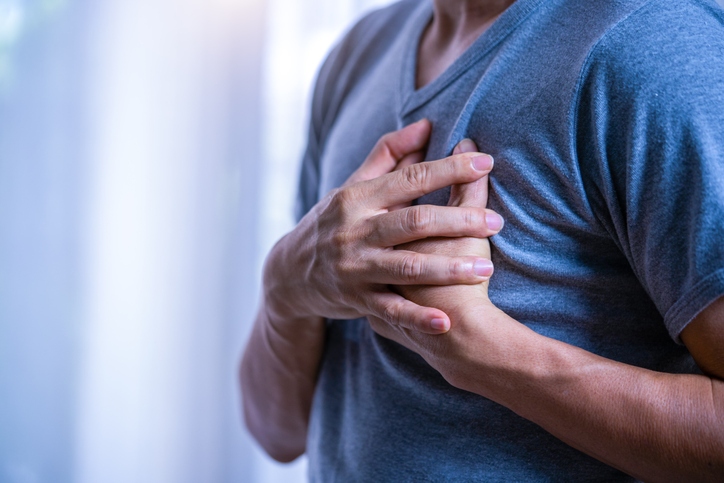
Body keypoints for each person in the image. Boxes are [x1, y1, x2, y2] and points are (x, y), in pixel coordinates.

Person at [240, 0, 724, 480]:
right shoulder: (359, 52)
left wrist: (490, 356)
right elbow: (279, 434)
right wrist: (284, 289)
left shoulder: (654, 47)